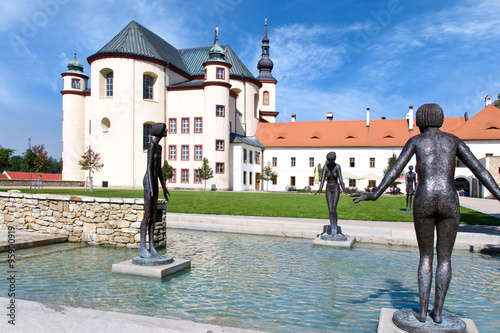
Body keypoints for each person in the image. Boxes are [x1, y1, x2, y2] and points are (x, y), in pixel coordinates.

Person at [354, 104, 500, 324]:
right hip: (449, 200)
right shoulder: (454, 141)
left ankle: (422, 312)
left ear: (420, 121)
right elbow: (481, 171)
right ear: (440, 119)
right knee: (445, 259)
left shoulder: (416, 141)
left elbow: (395, 169)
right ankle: (438, 313)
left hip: (425, 198)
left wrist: (376, 193)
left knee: (425, 257)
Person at [139, 123, 171, 260]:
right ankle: (142, 248)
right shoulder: (152, 145)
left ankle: (151, 247)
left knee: (153, 215)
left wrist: (163, 187)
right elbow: (149, 167)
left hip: (155, 182)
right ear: (159, 131)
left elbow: (158, 170)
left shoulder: (159, 147)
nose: (167, 131)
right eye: (165, 129)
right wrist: (151, 187)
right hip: (148, 182)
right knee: (147, 215)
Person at [315, 152, 347, 239]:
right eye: (330, 160)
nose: (331, 162)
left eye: (332, 160)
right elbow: (322, 179)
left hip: (336, 188)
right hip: (328, 189)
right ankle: (332, 229)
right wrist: (320, 189)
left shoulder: (337, 167)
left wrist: (344, 189)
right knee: (330, 210)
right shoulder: (326, 167)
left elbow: (340, 178)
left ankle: (335, 229)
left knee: (333, 209)